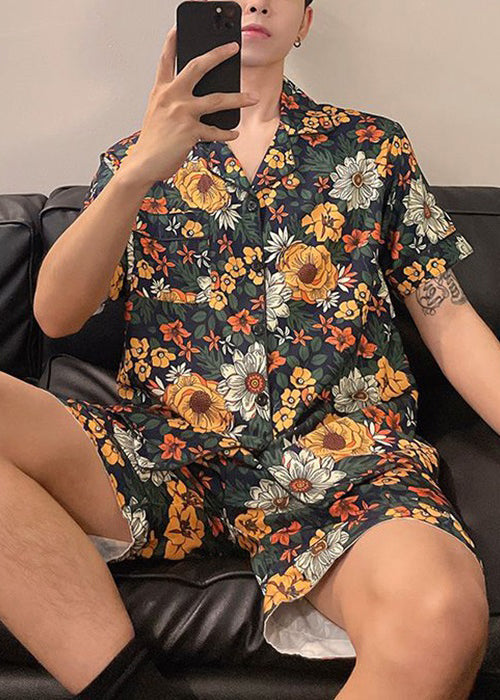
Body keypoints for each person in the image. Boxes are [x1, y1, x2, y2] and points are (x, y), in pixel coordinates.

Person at [3, 0, 492, 697]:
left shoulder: (372, 147)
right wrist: (139, 169)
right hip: (163, 458)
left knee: (440, 612)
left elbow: (451, 323)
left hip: (342, 463)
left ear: (306, 22)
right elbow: (56, 315)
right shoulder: (133, 159)